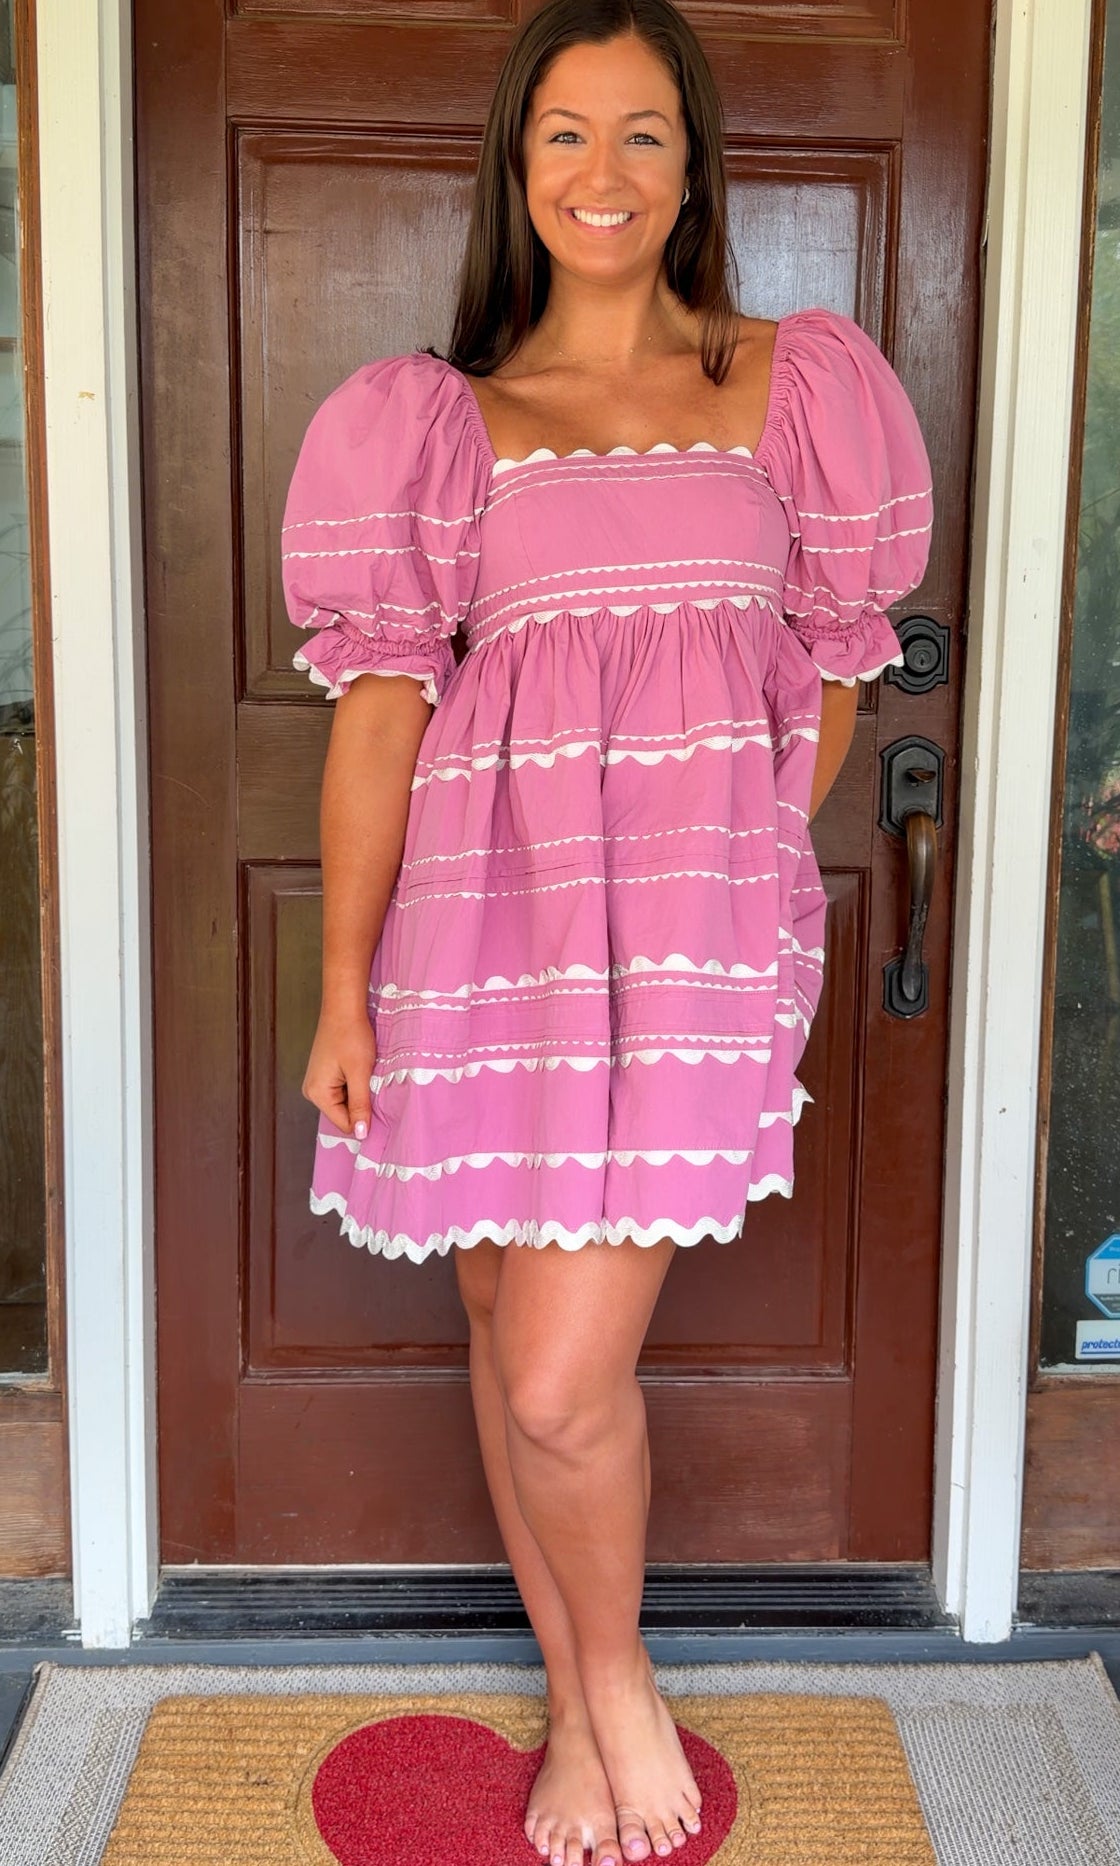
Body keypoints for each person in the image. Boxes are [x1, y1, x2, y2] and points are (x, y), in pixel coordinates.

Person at [280, 0, 933, 1860]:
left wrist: (723, 861)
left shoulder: (790, 388)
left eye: (644, 134)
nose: (603, 173)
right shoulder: (442, 422)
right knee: (505, 1329)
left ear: (694, 165)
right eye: (565, 134)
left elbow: (828, 674)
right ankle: (575, 1701)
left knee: (568, 1372)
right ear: (517, 164)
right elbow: (381, 722)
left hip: (697, 951)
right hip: (473, 951)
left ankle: (619, 1680)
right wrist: (342, 989)